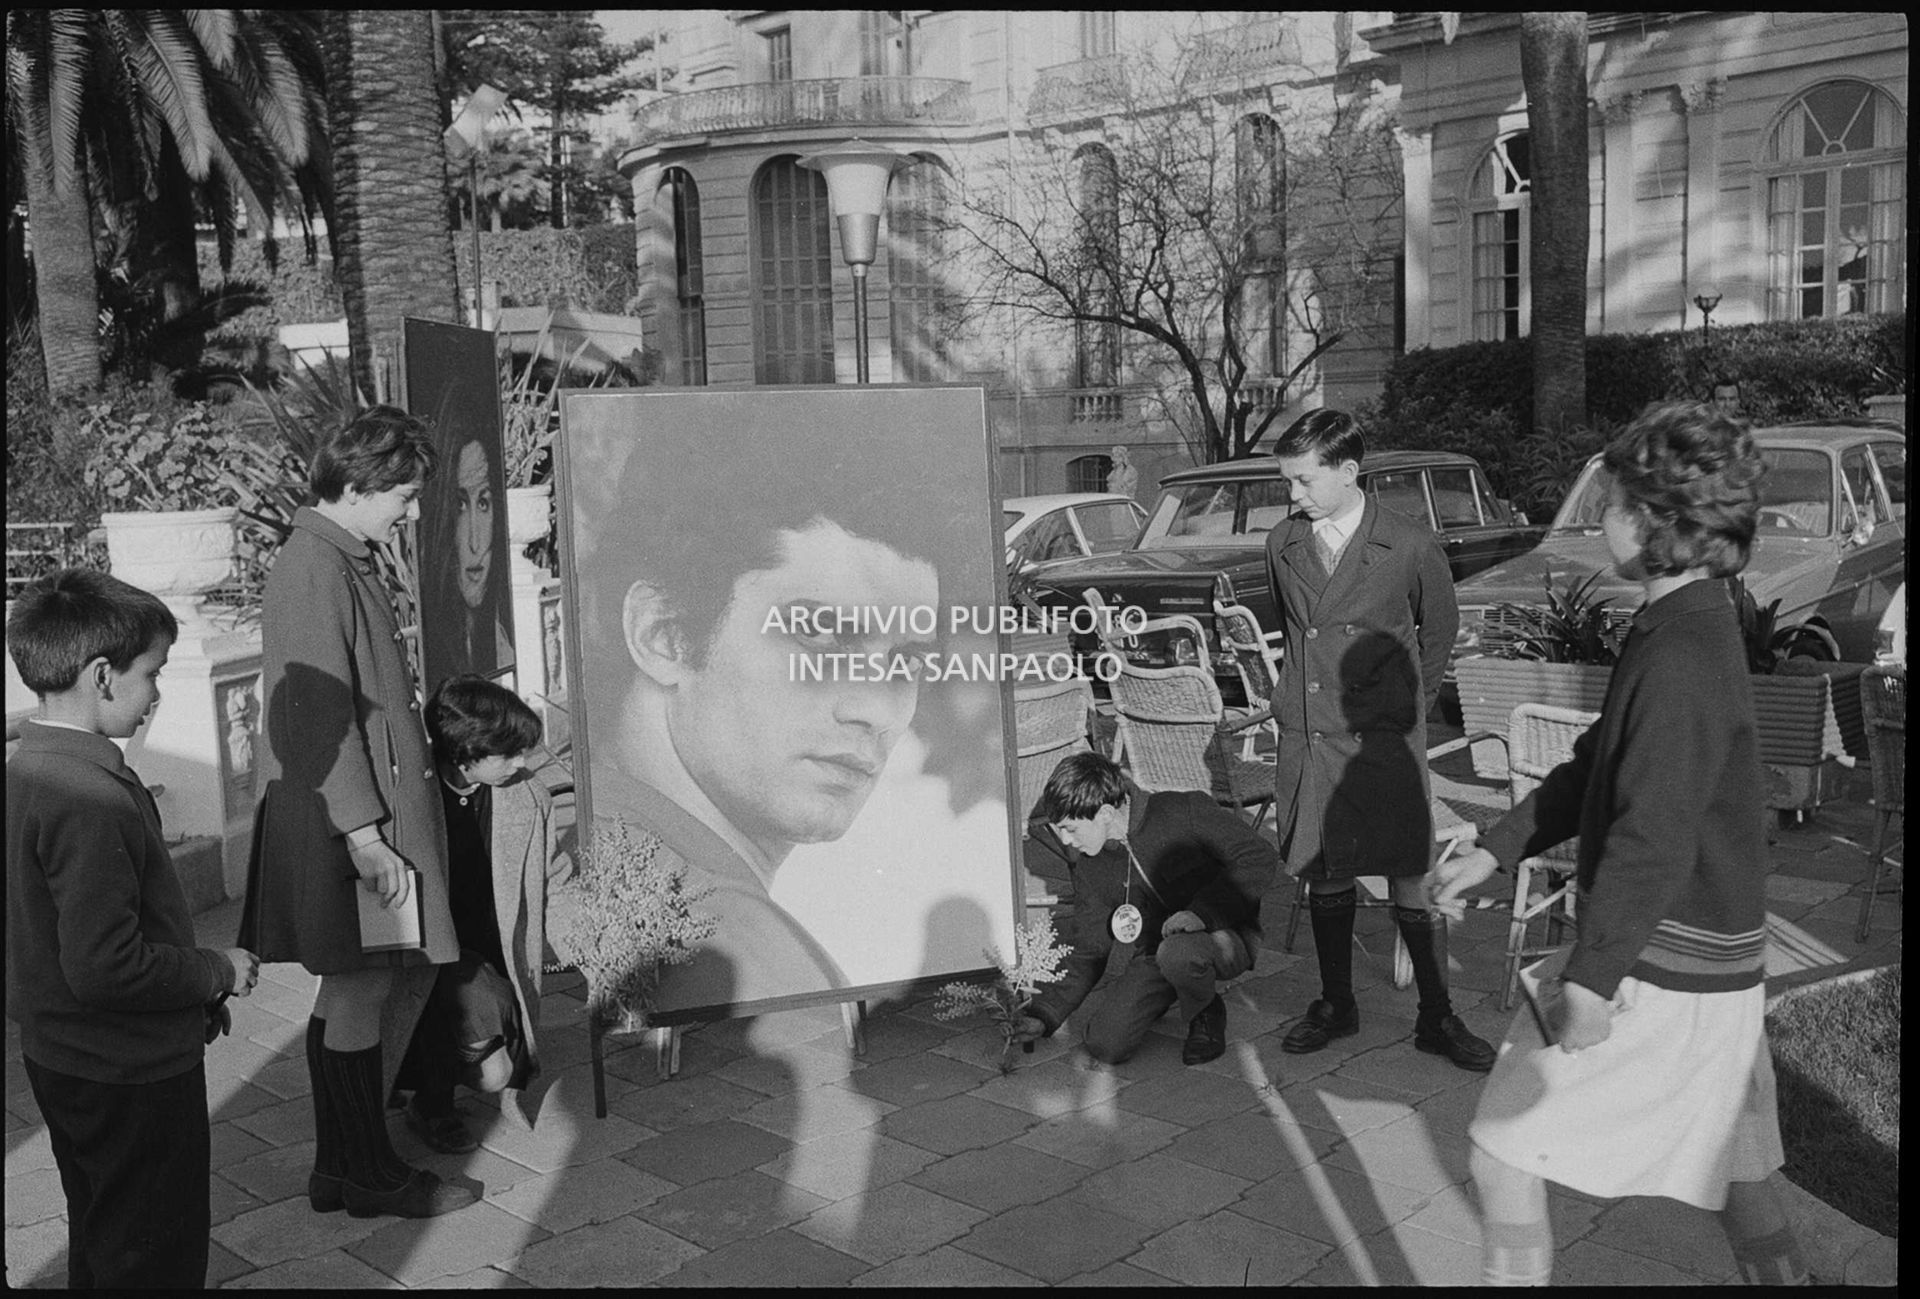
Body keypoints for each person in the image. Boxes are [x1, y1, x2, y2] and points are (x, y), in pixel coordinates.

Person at [1430, 401, 1808, 1287]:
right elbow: (1602, 763)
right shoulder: (1685, 623)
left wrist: (1593, 979)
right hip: (1711, 966)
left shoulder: (1682, 653)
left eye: (1611, 498)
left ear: (1656, 523)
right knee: (1739, 1168)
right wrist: (1501, 843)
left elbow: (1652, 833)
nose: (1599, 514)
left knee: (1503, 1157)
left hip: (1665, 970)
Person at [582, 424, 970, 1014]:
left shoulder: (580, 823)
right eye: (819, 634)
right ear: (663, 636)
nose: (876, 710)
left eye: (907, 660)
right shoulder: (746, 954)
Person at [238, 406, 476, 1219]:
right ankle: (361, 1171)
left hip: (355, 818)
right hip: (351, 825)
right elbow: (314, 716)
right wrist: (368, 836)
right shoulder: (315, 566)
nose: (410, 512)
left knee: (350, 991)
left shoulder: (334, 558)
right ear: (358, 482)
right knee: (358, 991)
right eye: (403, 494)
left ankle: (346, 1167)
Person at [6, 569, 262, 1288]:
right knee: (153, 1255)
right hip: (128, 1069)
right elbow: (106, 965)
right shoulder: (88, 795)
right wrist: (214, 970)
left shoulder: (28, 769)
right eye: (150, 673)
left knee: (103, 1234)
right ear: (102, 675)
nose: (156, 694)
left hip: (64, 1056)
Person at [1263, 408, 1494, 1071]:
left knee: (1407, 874)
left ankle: (1436, 1015)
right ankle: (1337, 1002)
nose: (1294, 496)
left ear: (1347, 472)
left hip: (1383, 739)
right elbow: (1292, 634)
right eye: (1288, 482)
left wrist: (1404, 712)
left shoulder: (1410, 543)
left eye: (1304, 481)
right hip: (1314, 737)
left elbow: (1439, 632)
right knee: (1327, 872)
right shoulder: (1282, 542)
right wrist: (1291, 705)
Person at [396, 675, 573, 1153]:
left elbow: (553, 877)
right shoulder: (412, 797)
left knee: (495, 1074)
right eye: (508, 753)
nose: (522, 763)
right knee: (447, 1001)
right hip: (424, 947)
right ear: (466, 753)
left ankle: (435, 1074)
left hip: (491, 947)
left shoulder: (527, 795)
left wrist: (594, 942)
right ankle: (431, 1105)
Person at [1012, 753, 1276, 1066]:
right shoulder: (1090, 868)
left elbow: (1258, 857)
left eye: (1072, 828)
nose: (1068, 842)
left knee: (1180, 954)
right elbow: (1089, 951)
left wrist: (1202, 913)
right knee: (1104, 1043)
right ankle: (1175, 987)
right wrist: (1044, 1015)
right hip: (1157, 955)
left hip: (1225, 935)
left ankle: (1206, 1011)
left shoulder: (1183, 811)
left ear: (1106, 812)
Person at [421, 435, 512, 691]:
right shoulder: (432, 648)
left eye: (484, 503)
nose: (475, 542)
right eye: (460, 505)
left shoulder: (499, 641)